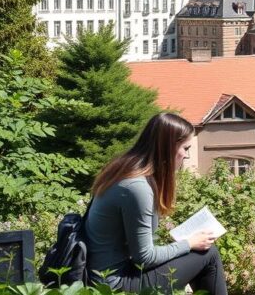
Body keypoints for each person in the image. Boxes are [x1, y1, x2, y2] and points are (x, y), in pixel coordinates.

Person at [86, 113, 227, 295]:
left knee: (197, 252)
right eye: (186, 148)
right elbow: (144, 258)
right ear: (168, 147)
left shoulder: (124, 168)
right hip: (113, 285)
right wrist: (189, 243)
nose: (187, 155)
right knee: (208, 254)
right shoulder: (137, 188)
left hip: (109, 274)